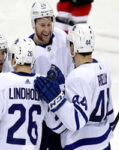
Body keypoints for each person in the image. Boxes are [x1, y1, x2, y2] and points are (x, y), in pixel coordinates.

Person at [34, 24, 114, 150]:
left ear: (73, 47)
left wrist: (56, 100)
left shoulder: (76, 76)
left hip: (81, 145)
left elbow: (74, 122)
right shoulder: (103, 68)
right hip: (103, 142)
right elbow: (109, 113)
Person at [0, 37, 66, 150]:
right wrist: (61, 92)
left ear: (14, 59)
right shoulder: (42, 83)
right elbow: (57, 126)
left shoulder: (3, 81)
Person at [29, 1, 74, 150]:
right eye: (42, 25)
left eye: (49, 24)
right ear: (33, 24)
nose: (47, 29)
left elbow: (72, 69)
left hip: (62, 112)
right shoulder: (27, 49)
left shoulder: (62, 38)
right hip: (40, 117)